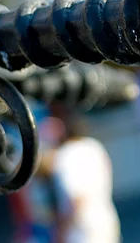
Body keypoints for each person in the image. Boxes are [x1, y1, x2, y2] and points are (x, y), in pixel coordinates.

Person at [45, 102, 121, 243]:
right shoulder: (93, 146)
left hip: (82, 231)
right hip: (106, 220)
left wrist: (61, 231)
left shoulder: (66, 156)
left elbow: (77, 199)